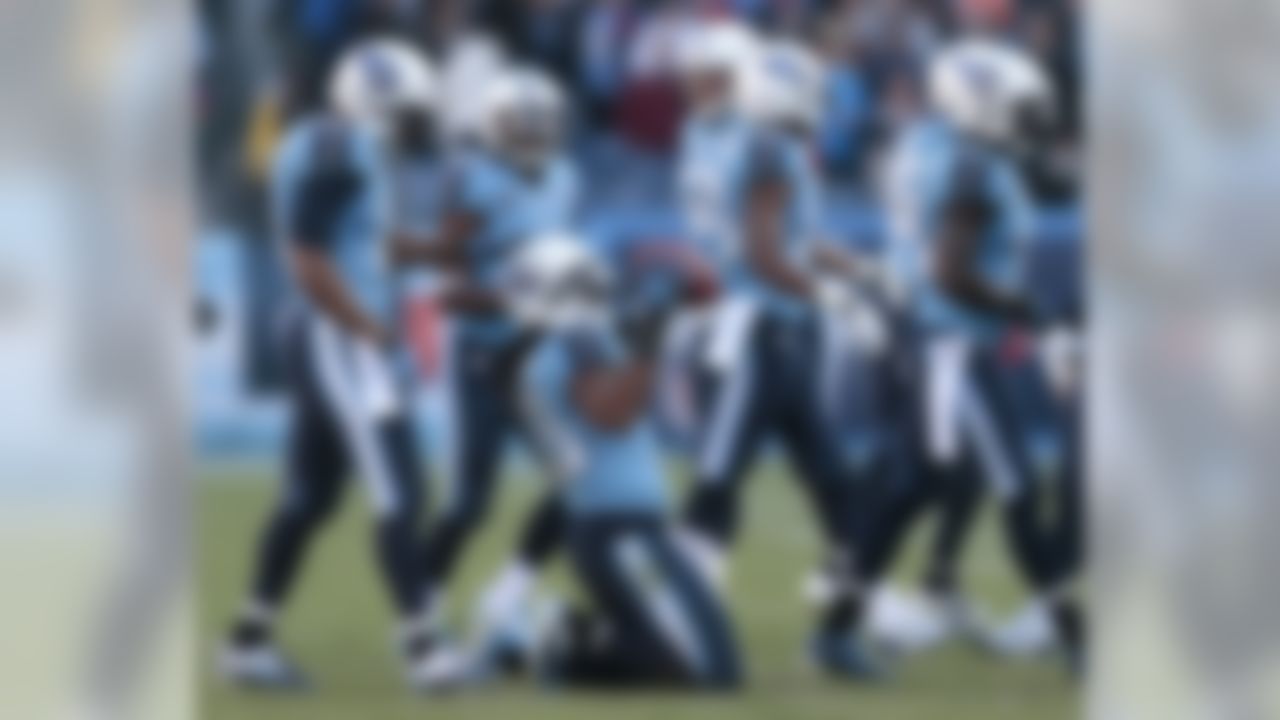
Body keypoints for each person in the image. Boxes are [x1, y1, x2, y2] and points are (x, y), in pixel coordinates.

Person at [853, 37, 1084, 672]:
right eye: (1017, 111)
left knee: (919, 484)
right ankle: (1073, 635)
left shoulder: (929, 144)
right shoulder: (973, 171)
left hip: (937, 337)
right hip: (954, 343)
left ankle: (843, 616)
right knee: (1014, 486)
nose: (1029, 125)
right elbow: (951, 273)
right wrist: (1027, 312)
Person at [219, 38, 440, 689]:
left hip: (325, 331)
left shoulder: (325, 139)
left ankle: (247, 643)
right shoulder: (342, 151)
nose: (414, 124)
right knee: (400, 487)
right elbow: (309, 258)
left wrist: (435, 250)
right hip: (338, 336)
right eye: (406, 110)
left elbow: (356, 240)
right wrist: (366, 325)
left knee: (310, 499)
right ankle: (426, 651)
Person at [678, 37, 887, 679]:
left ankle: (837, 635)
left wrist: (852, 268)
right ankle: (683, 620)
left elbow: (792, 239)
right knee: (718, 487)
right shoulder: (767, 148)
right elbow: (762, 255)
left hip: (780, 336)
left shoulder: (748, 142)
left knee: (835, 490)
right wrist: (836, 297)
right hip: (757, 336)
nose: (822, 104)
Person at [389, 64, 581, 682]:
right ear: (491, 127)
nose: (530, 135)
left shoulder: (566, 178)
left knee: (579, 483)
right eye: (517, 124)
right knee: (470, 503)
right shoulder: (473, 179)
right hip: (479, 356)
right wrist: (519, 295)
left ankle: (508, 595)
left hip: (533, 355)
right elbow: (452, 287)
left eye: (540, 123)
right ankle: (419, 615)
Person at [514, 233, 743, 690]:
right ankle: (572, 645)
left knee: (709, 665)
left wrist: (657, 333)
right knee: (713, 674)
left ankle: (582, 636)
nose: (594, 292)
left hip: (626, 526)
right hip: (614, 530)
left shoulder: (566, 347)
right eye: (579, 284)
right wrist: (646, 350)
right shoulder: (567, 347)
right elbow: (611, 413)